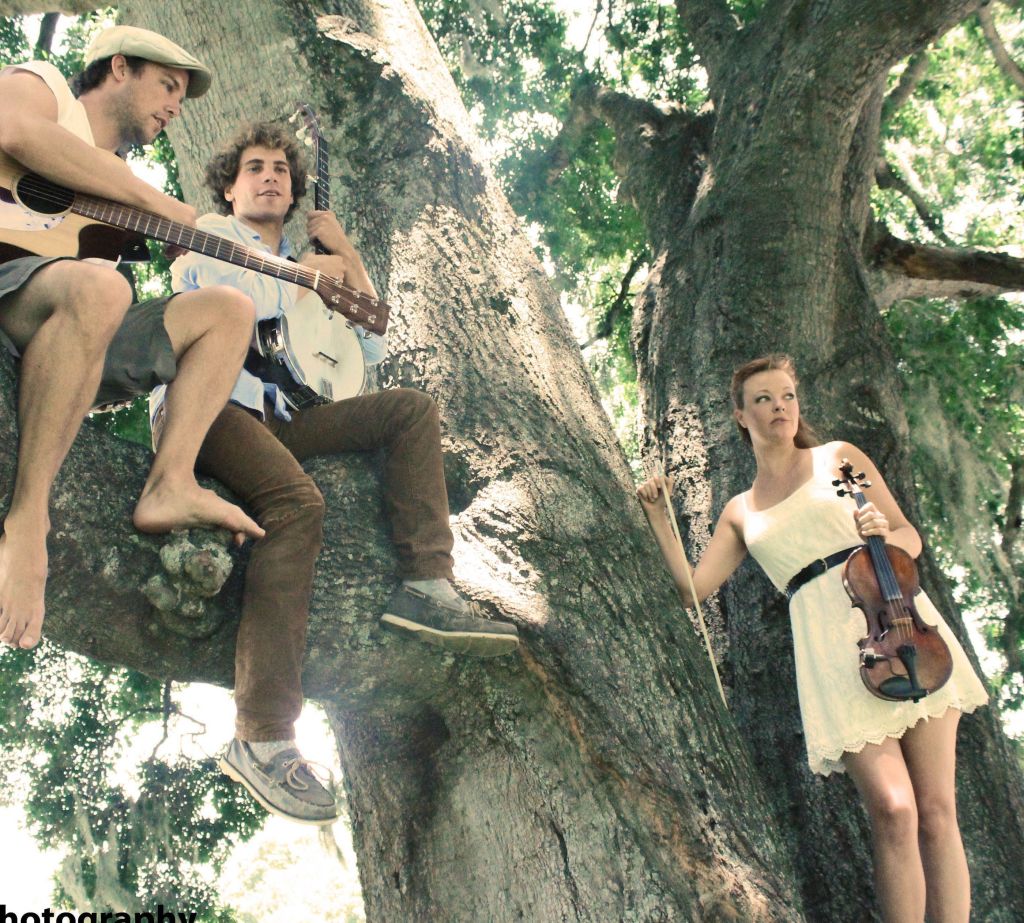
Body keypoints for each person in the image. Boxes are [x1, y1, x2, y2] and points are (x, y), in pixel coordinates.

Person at [160, 121, 519, 825]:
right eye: (255, 167)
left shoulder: (307, 258)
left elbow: (373, 339)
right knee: (298, 506)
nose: (270, 176)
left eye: (281, 170)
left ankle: (426, 583)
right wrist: (307, 278)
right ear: (229, 187)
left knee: (408, 410)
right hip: (211, 409)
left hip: (285, 418)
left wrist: (344, 253)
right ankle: (261, 735)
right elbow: (243, 305)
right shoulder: (208, 234)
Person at [637, 355, 988, 923]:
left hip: (901, 624)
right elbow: (693, 591)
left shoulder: (838, 458)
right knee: (893, 810)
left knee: (937, 809)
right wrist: (659, 517)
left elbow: (909, 536)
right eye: (763, 399)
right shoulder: (740, 512)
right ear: (740, 417)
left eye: (787, 396)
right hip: (833, 656)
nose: (779, 407)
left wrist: (884, 535)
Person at [0, 26, 265, 652]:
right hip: (13, 285)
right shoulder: (43, 85)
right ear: (119, 68)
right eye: (168, 86)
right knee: (105, 288)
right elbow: (14, 132)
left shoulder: (121, 190)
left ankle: (170, 482)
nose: (175, 106)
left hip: (68, 324)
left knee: (230, 310)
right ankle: (28, 519)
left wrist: (176, 237)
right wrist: (162, 205)